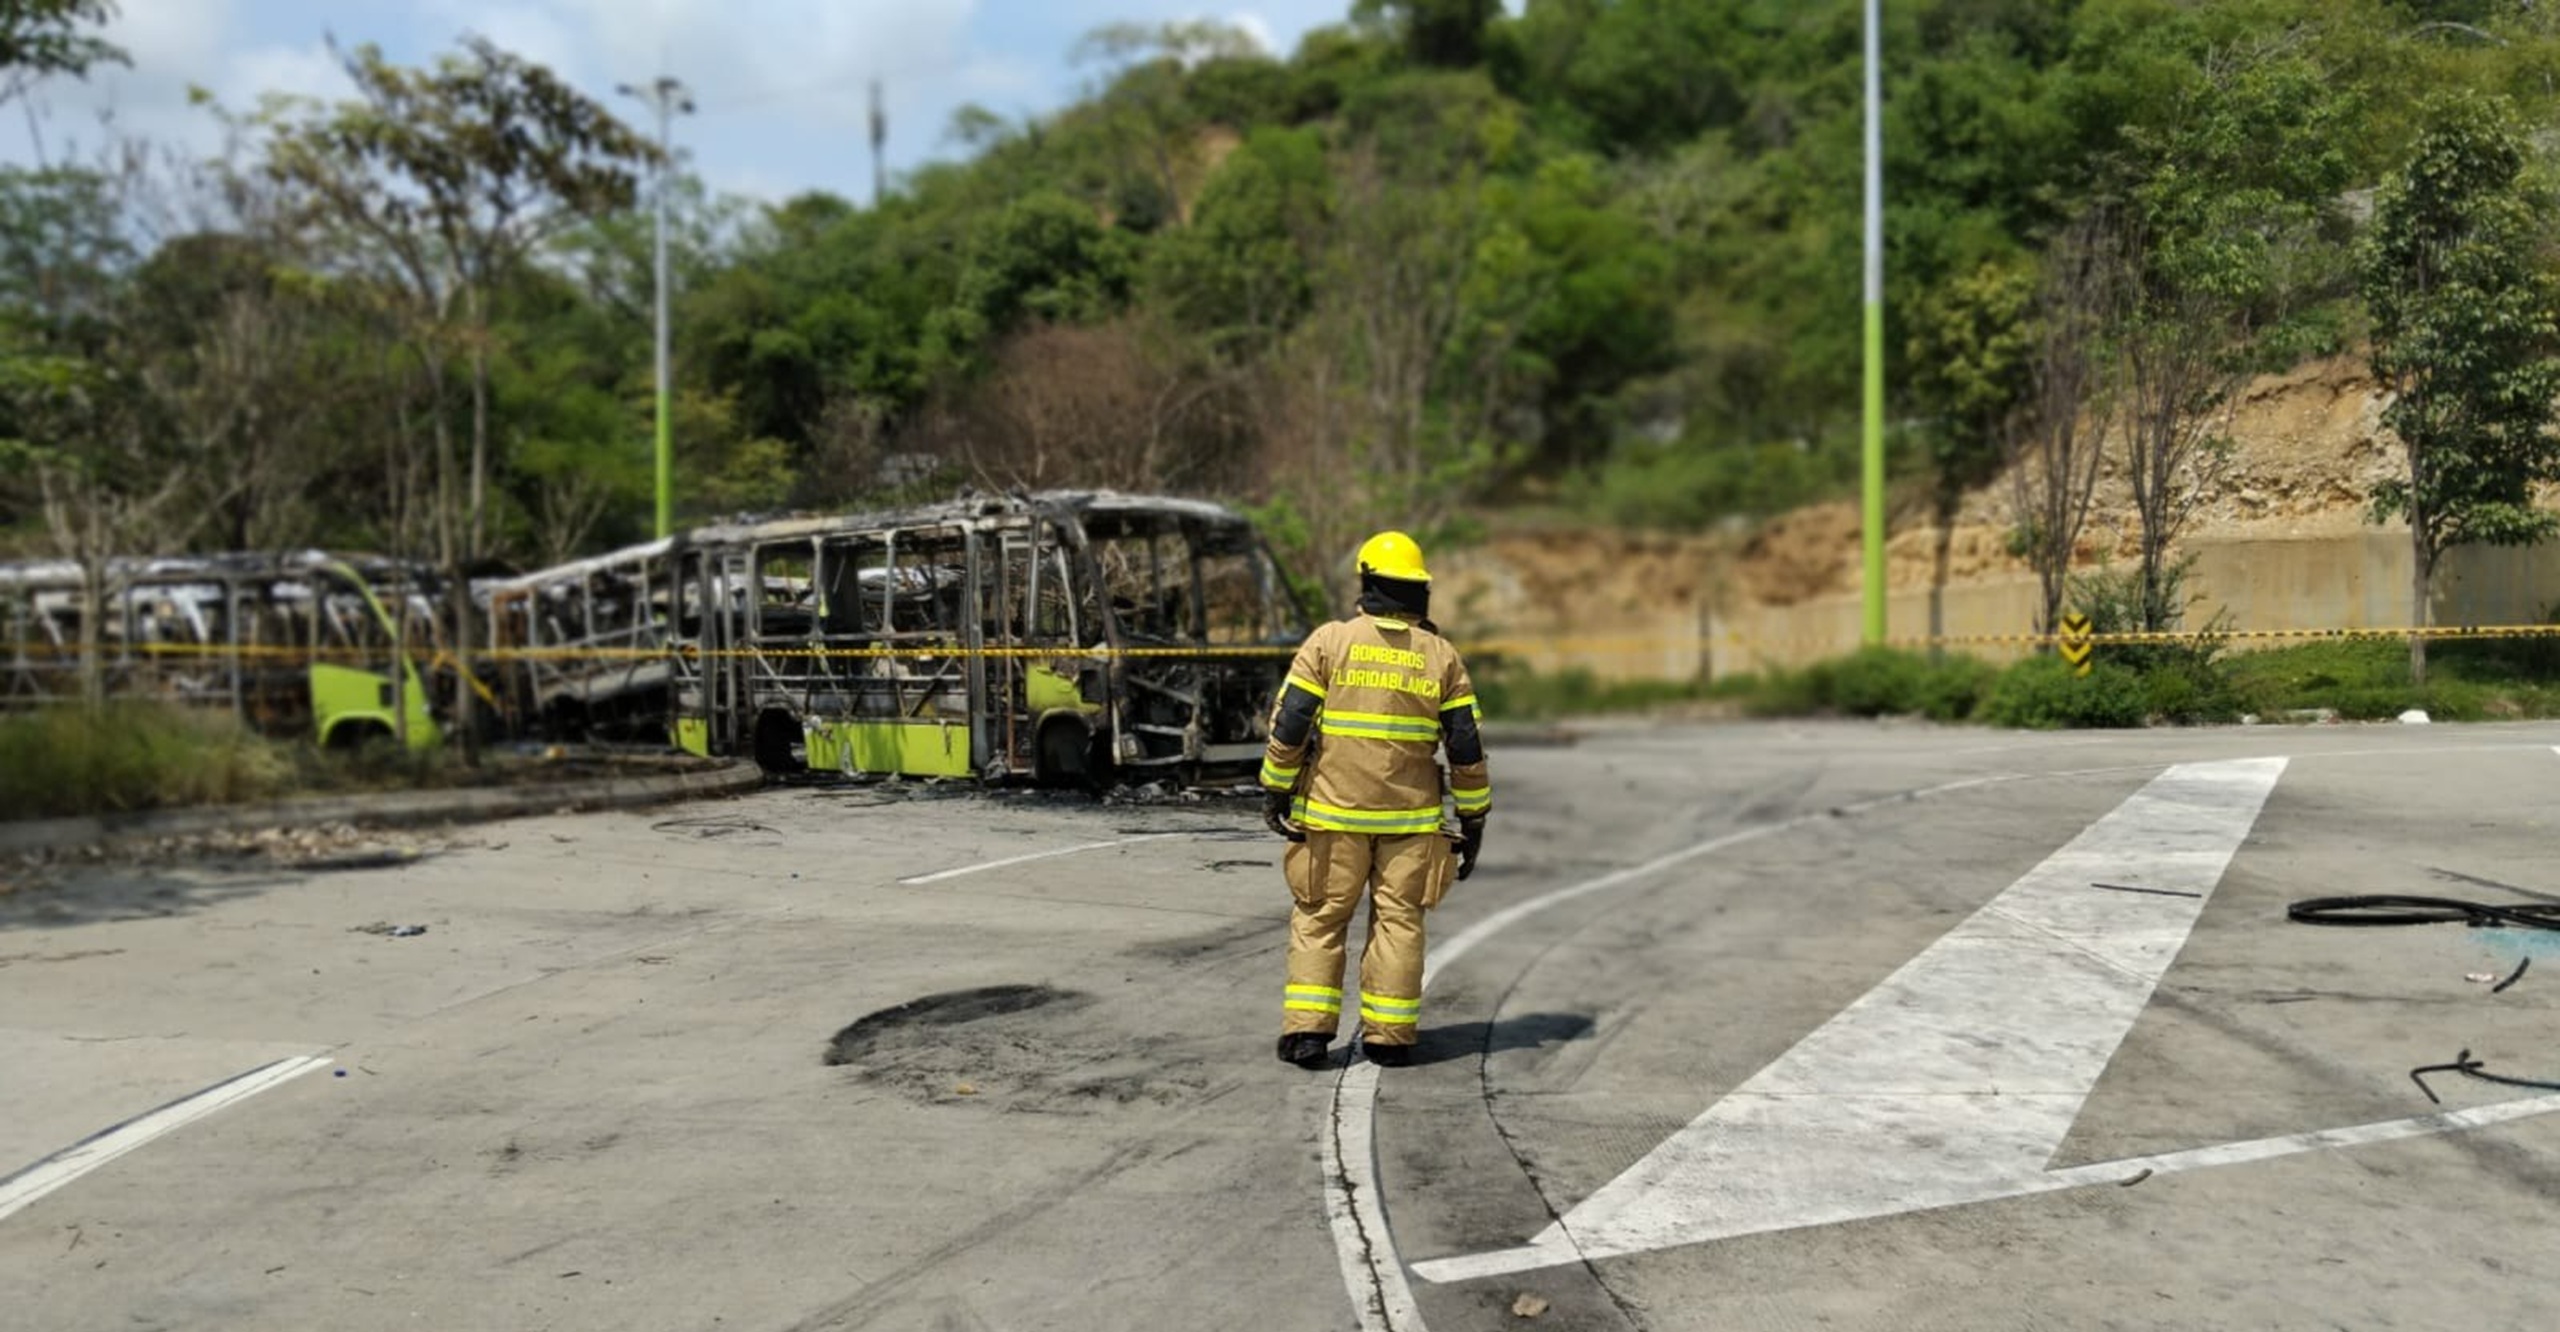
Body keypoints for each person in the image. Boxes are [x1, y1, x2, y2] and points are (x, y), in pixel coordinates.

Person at [1260, 531, 1490, 1069]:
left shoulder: (1329, 642)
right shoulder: (1442, 657)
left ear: (1367, 582)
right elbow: (1465, 747)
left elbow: (1291, 723)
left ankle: (1308, 1036)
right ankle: (1390, 1037)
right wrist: (1474, 817)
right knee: (1399, 921)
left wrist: (1276, 785)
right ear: (1419, 592)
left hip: (1333, 817)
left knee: (1320, 918)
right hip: (1410, 824)